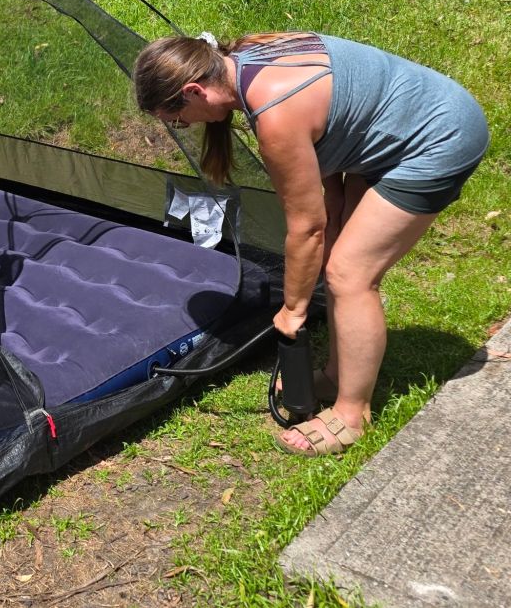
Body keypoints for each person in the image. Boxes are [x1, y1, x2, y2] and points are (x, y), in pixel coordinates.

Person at [132, 31, 489, 456]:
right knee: (340, 256)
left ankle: (352, 416)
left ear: (195, 91)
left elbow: (306, 228)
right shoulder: (246, 56)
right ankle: (339, 376)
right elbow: (332, 131)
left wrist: (294, 309)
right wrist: (335, 206)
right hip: (396, 124)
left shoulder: (274, 113)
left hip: (437, 137)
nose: (185, 126)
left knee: (349, 273)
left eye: (178, 119)